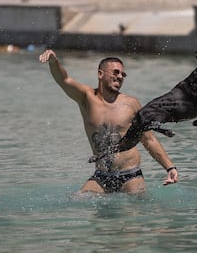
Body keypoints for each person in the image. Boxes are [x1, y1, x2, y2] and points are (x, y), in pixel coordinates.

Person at [39, 49, 178, 194]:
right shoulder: (86, 98)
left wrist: (170, 167)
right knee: (78, 199)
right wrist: (54, 61)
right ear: (100, 74)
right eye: (115, 72)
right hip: (101, 176)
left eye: (122, 74)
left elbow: (148, 139)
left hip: (130, 176)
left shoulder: (131, 104)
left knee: (133, 211)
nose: (120, 77)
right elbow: (64, 80)